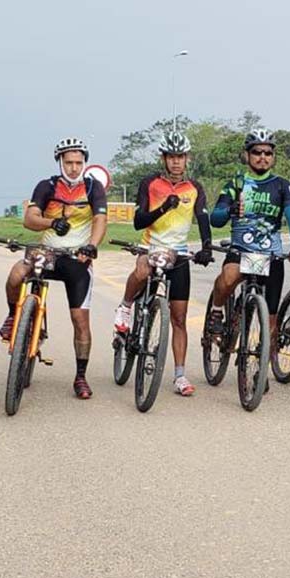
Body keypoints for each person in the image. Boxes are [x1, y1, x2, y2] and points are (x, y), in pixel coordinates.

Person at [0, 137, 107, 400]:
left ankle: (80, 376)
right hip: (47, 252)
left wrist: (91, 246)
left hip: (76, 257)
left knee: (80, 320)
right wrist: (51, 223)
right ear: (60, 162)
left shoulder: (93, 188)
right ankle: (15, 315)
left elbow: (100, 219)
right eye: (68, 162)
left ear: (84, 163)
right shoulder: (46, 186)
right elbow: (29, 219)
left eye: (78, 162)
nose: (73, 168)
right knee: (15, 274)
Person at [112, 132, 213, 396]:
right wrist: (164, 209)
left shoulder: (194, 188)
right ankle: (125, 306)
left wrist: (205, 247)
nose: (176, 162)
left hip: (178, 254)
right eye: (172, 157)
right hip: (151, 247)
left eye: (181, 157)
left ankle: (179, 375)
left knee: (178, 317)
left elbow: (202, 218)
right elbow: (138, 221)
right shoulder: (150, 183)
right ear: (164, 159)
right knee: (142, 269)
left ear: (187, 159)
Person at [207, 129, 290, 365]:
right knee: (228, 276)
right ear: (247, 155)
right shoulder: (237, 184)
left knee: (270, 318)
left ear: (273, 157)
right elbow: (216, 218)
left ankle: (264, 364)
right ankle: (217, 311)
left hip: (271, 255)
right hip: (241, 250)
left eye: (268, 153)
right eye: (257, 152)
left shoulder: (282, 186)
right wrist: (229, 211)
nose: (263, 157)